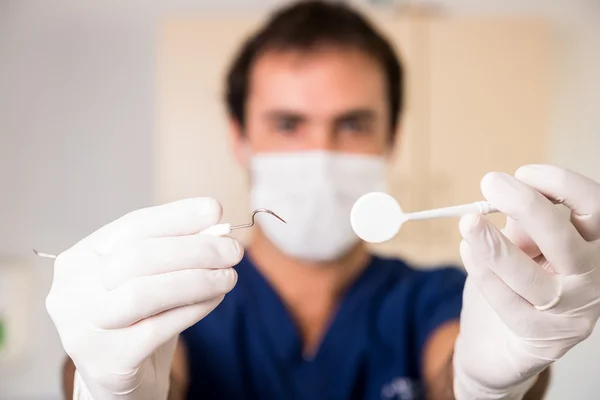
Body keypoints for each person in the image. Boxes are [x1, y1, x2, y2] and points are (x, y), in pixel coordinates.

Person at [49, 1, 600, 399]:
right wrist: (105, 388)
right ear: (239, 138)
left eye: (353, 124)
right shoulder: (184, 298)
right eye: (288, 123)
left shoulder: (434, 298)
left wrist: (488, 385)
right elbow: (113, 369)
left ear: (391, 138)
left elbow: (460, 364)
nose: (321, 152)